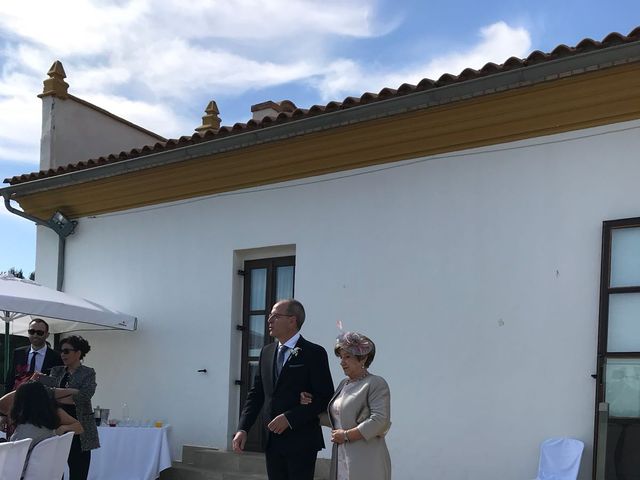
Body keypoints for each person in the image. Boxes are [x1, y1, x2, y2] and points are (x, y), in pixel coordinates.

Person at [232, 299, 334, 480]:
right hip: (272, 441)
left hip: (301, 441)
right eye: (270, 315)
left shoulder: (314, 353)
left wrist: (290, 418)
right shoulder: (267, 352)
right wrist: (243, 428)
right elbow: (256, 395)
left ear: (292, 320)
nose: (269, 320)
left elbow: (325, 398)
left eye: (275, 316)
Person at [301, 332, 391, 480]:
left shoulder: (375, 383)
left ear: (363, 358)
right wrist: (310, 406)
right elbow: (338, 419)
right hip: (341, 456)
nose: (342, 362)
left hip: (366, 459)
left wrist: (346, 435)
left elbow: (380, 421)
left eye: (347, 357)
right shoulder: (344, 384)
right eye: (341, 357)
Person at [0, 381, 83, 477]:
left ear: (21, 402)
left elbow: (12, 459)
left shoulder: (26, 431)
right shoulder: (49, 423)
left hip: (19, 474)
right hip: (45, 473)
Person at [47, 335, 99, 480]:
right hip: (58, 425)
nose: (62, 354)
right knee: (56, 472)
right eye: (61, 351)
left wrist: (60, 394)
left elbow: (84, 397)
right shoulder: (56, 371)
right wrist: (73, 391)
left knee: (79, 472)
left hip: (81, 429)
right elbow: (48, 394)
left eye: (66, 351)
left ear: (78, 353)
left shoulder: (88, 372)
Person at [4, 318, 63, 392]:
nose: (35, 335)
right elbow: (10, 379)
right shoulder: (18, 353)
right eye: (32, 332)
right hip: (19, 398)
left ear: (47, 335)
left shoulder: (56, 357)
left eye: (39, 332)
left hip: (43, 398)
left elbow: (57, 382)